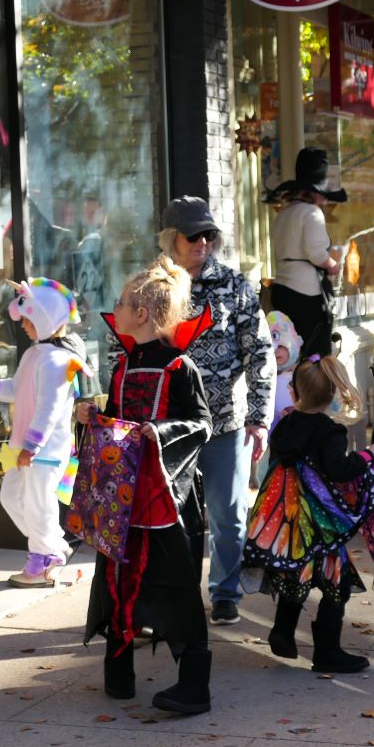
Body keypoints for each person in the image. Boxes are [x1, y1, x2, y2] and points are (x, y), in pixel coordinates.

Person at [78, 256, 214, 716]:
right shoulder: (121, 366)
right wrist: (93, 418)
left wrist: (160, 433)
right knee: (116, 575)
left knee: (175, 582)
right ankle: (118, 674)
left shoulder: (180, 368)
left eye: (120, 302)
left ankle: (195, 685)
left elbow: (201, 424)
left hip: (167, 498)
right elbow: (118, 423)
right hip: (125, 496)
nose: (113, 308)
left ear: (141, 314)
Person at [157, 196, 275, 626]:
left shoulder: (235, 284)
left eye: (210, 234)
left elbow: (260, 353)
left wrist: (260, 418)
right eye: (194, 235)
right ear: (171, 239)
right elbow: (127, 348)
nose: (204, 242)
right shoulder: (154, 286)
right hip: (169, 425)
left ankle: (225, 591)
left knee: (228, 513)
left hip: (227, 419)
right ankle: (176, 595)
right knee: (171, 516)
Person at [242, 354, 374, 673]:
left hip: (288, 524)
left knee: (295, 575)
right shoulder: (329, 431)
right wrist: (368, 454)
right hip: (320, 525)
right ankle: (327, 651)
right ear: (333, 394)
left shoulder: (285, 426)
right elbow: (339, 469)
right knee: (336, 584)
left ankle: (282, 632)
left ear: (294, 393)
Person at [0, 279, 90, 588]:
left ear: (45, 318)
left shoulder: (58, 361)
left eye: (28, 320)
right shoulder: (36, 354)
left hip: (42, 450)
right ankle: (52, 547)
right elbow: (16, 388)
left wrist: (32, 447)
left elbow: (49, 408)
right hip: (22, 445)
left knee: (39, 504)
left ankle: (41, 562)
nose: (22, 325)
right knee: (11, 497)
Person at [269, 147, 345, 357]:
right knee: (314, 353)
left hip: (282, 288)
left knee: (289, 351)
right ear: (315, 191)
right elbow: (317, 254)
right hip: (307, 294)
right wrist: (334, 266)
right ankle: (313, 389)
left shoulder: (284, 213)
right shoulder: (312, 212)